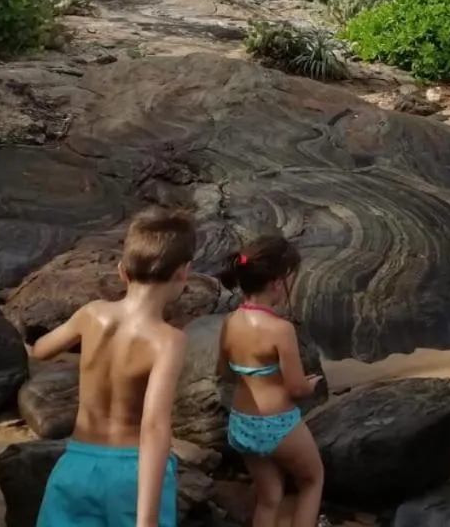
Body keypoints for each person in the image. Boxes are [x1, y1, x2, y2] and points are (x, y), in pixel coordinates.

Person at [32, 206, 196, 527]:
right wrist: (146, 519)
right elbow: (153, 427)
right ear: (183, 272)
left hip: (76, 466)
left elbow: (41, 350)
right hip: (132, 476)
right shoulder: (167, 341)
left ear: (122, 271)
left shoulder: (91, 314)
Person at [216, 234, 325, 527]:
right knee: (312, 481)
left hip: (242, 424)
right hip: (277, 424)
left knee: (269, 497)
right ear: (277, 282)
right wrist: (310, 384)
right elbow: (296, 388)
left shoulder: (230, 321)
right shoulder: (280, 329)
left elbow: (225, 373)